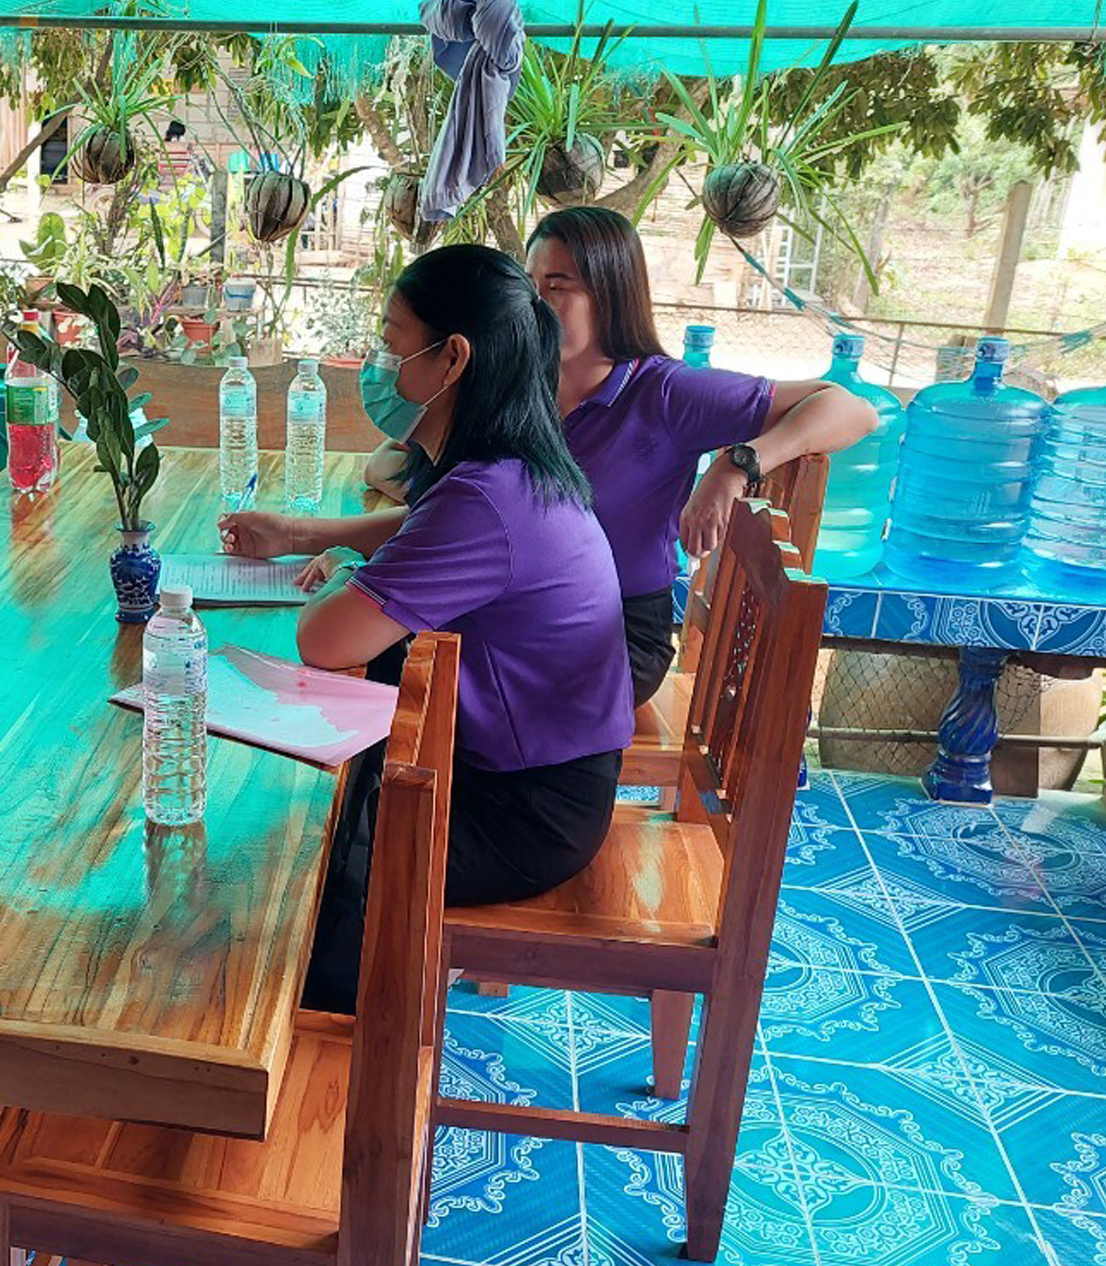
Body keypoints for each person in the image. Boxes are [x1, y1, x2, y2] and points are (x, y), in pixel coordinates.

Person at [227, 246, 634, 1013]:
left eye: (391, 344)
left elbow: (324, 641)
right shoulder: (511, 469)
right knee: (331, 794)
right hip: (547, 774)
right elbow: (420, 525)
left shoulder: (483, 498)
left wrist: (348, 569)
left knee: (300, 860)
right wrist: (305, 533)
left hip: (526, 813)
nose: (380, 367)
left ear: (452, 358)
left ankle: (332, 1041)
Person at [364, 208, 877, 705]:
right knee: (384, 650)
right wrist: (305, 535)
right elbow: (437, 506)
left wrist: (735, 465)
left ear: (608, 296)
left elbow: (852, 409)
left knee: (405, 674)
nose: (534, 305)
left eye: (557, 287)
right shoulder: (523, 387)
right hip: (512, 612)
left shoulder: (664, 394)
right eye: (529, 284)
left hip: (611, 639)